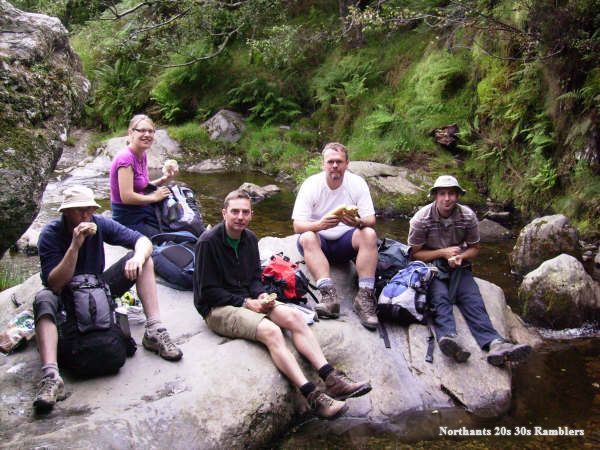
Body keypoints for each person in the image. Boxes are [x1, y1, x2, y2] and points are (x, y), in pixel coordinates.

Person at [193, 190, 372, 419]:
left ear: (251, 215)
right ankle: (314, 397)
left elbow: (254, 279)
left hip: (246, 299)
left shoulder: (249, 239)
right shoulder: (208, 242)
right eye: (235, 212)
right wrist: (246, 302)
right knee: (271, 331)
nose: (240, 217)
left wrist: (261, 296)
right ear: (224, 213)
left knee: (294, 317)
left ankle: (333, 379)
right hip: (218, 308)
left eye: (245, 212)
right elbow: (206, 292)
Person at [33, 186, 183, 411]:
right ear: (66, 212)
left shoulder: (100, 224)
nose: (86, 215)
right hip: (65, 295)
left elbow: (143, 241)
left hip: (99, 289)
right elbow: (54, 283)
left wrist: (138, 258)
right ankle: (51, 376)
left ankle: (154, 330)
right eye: (79, 211)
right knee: (43, 300)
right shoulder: (50, 234)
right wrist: (75, 246)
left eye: (89, 210)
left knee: (144, 261)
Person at [408, 175, 532, 366]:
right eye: (442, 194)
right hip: (430, 267)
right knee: (440, 298)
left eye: (451, 193)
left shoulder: (467, 216)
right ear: (435, 196)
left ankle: (495, 344)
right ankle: (449, 338)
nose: (447, 198)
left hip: (459, 266)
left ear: (458, 196)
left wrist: (461, 256)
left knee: (472, 299)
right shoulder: (421, 219)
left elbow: (475, 248)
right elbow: (414, 254)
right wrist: (443, 252)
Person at [292, 142, 379, 330]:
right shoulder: (311, 185)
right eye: (330, 161)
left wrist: (357, 223)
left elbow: (371, 219)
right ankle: (329, 296)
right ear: (323, 164)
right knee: (307, 236)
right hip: (318, 242)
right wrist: (319, 225)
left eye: (339, 161)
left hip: (345, 243)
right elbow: (297, 225)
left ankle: (365, 297)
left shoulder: (357, 183)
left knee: (369, 234)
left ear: (347, 163)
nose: (334, 166)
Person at [109, 114, 177, 237]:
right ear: (131, 133)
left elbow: (142, 186)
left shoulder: (142, 154)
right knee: (170, 238)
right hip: (127, 218)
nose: (147, 134)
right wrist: (154, 197)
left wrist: (164, 179)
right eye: (142, 130)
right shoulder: (125, 158)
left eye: (151, 131)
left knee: (177, 225)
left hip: (141, 209)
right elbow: (127, 197)